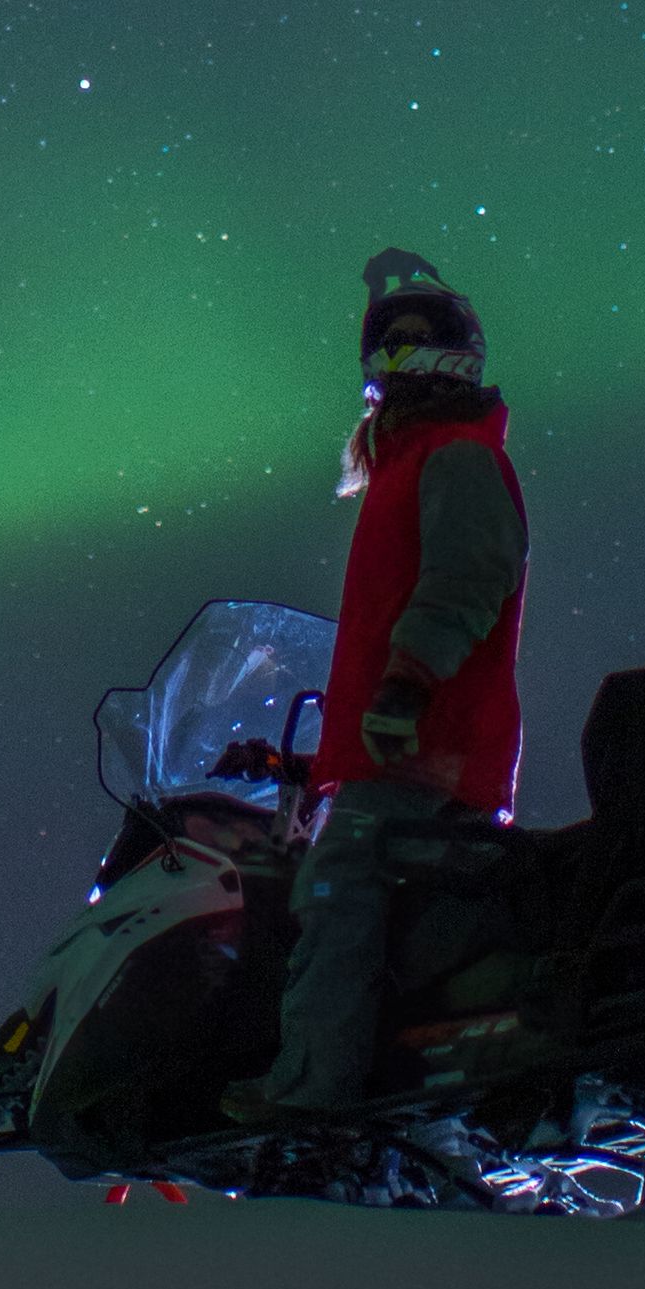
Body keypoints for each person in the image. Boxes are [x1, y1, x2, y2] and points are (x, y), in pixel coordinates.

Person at [224, 245, 530, 1123]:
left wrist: (406, 684)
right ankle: (366, 1091)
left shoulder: (457, 460)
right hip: (398, 751)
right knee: (343, 905)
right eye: (385, 338)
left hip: (425, 755)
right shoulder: (405, 468)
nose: (396, 353)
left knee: (335, 898)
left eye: (412, 336)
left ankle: (311, 1095)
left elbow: (469, 578)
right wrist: (304, 761)